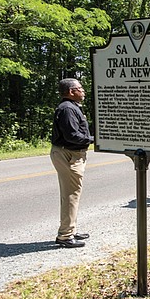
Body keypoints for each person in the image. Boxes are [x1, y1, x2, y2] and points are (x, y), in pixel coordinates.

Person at [50, 78, 94, 248]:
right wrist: (94, 139)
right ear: (71, 92)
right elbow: (72, 136)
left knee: (72, 193)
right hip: (68, 155)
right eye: (80, 88)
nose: (83, 91)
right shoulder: (68, 109)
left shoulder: (70, 107)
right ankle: (65, 236)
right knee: (71, 195)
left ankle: (71, 230)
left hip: (69, 153)